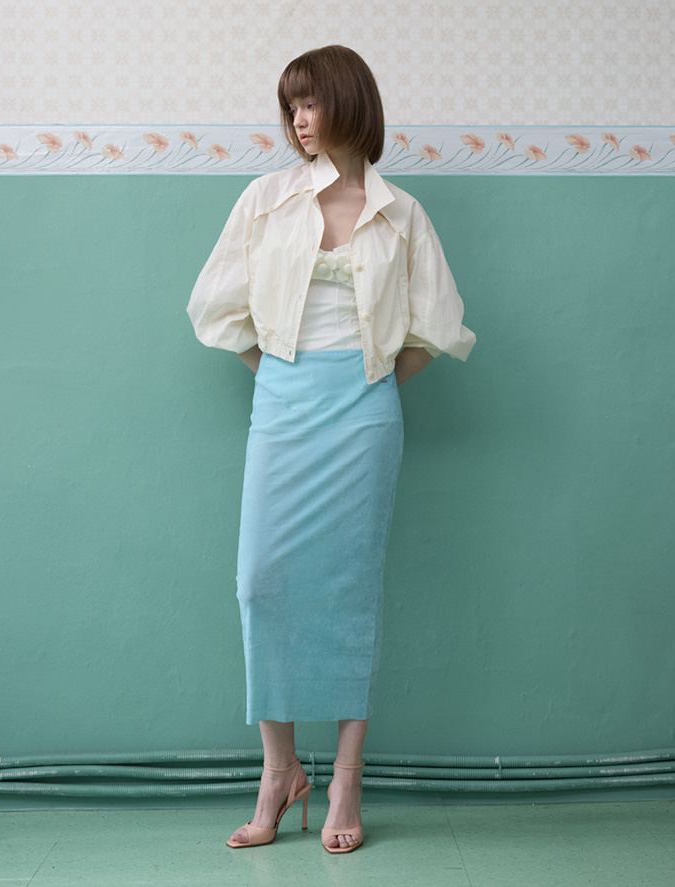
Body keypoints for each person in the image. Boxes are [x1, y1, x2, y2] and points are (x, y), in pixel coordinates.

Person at [186, 44, 475, 854]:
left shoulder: (402, 213)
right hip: (282, 401)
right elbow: (215, 308)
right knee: (259, 582)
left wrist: (369, 382)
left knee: (351, 588)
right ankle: (280, 770)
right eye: (291, 107)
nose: (299, 120)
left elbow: (437, 326)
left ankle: (347, 774)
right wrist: (283, 376)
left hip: (365, 412)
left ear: (350, 103)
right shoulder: (265, 199)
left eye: (311, 103)